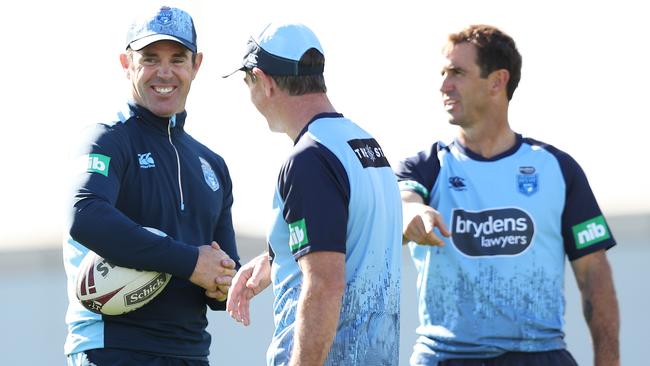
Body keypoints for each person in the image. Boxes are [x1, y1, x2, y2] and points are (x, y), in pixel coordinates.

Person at [395, 24, 620, 366]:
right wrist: (414, 214)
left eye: (457, 72)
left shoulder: (556, 169)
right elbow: (403, 201)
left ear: (498, 81)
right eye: (443, 73)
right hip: (445, 357)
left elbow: (594, 275)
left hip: (539, 355)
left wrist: (609, 361)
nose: (444, 85)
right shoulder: (427, 165)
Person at [62, 5, 240, 365]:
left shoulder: (213, 165)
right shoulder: (108, 140)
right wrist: (191, 262)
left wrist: (226, 282)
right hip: (113, 351)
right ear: (126, 63)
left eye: (177, 58)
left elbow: (222, 272)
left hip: (191, 353)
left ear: (196, 65)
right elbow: (85, 215)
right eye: (149, 58)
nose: (164, 72)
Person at [223, 22, 403, 365]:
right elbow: (348, 241)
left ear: (264, 81)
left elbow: (325, 285)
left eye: (247, 82)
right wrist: (278, 257)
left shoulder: (309, 159)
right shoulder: (364, 145)